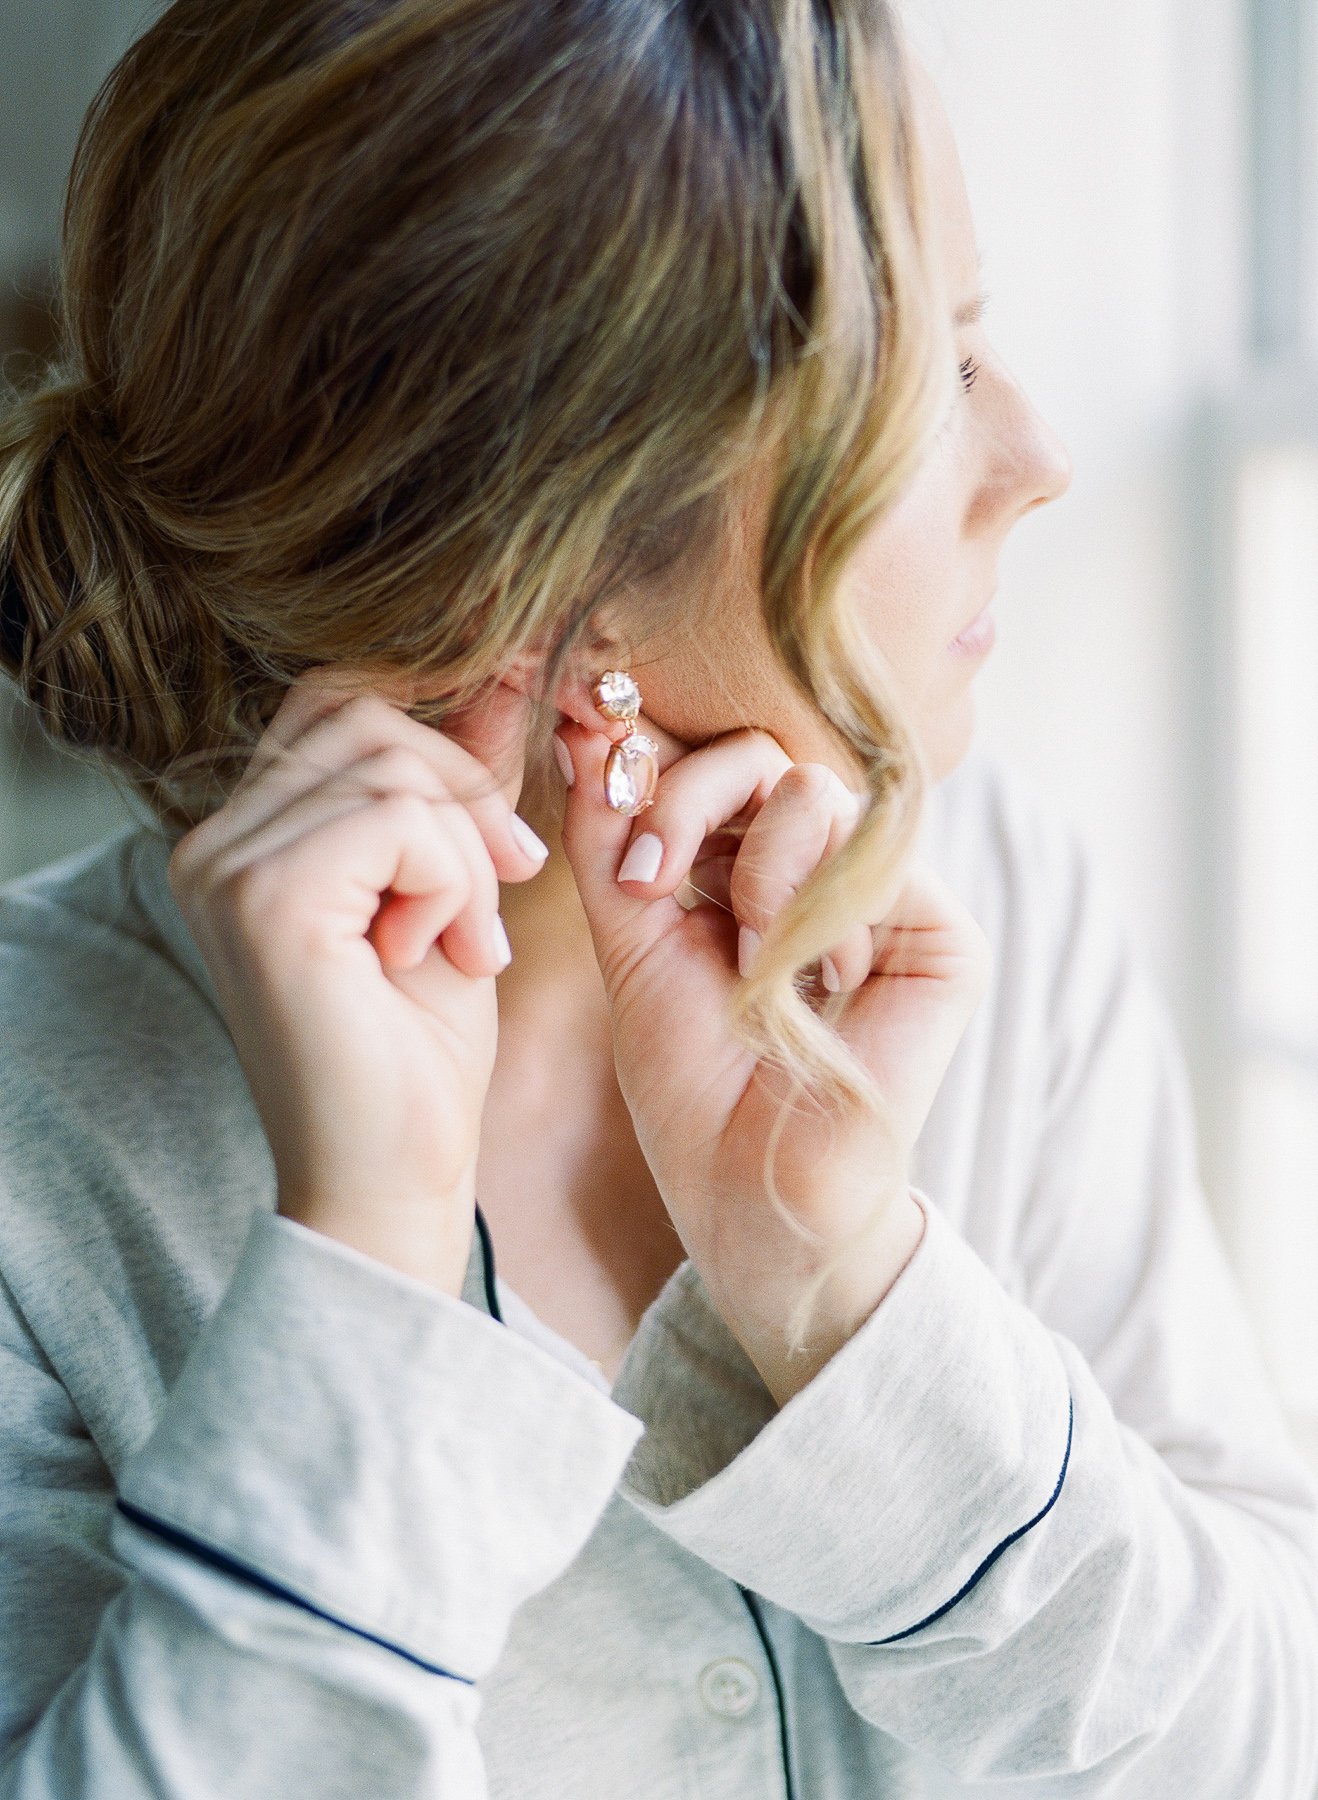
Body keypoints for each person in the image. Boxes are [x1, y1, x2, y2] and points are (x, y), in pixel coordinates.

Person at [0, 1, 1315, 1795]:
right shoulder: (30, 1124)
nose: (1036, 454)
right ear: (547, 582)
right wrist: (355, 1286)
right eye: (924, 376)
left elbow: (1256, 1742)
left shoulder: (982, 897)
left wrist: (852, 1293)